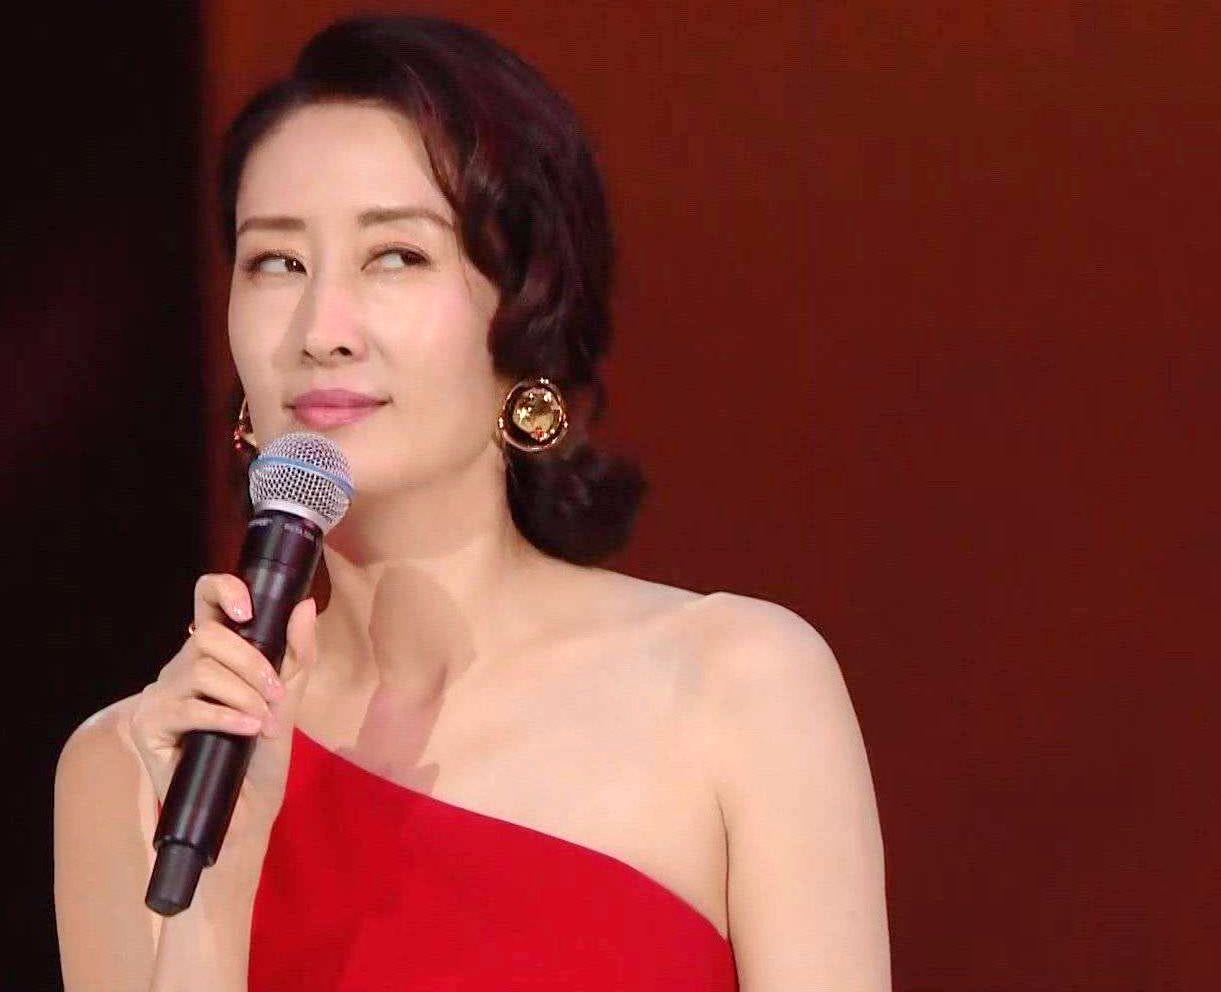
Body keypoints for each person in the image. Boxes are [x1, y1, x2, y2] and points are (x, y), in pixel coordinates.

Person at [54, 13, 889, 991]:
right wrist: (219, 883)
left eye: (395, 256)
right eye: (276, 261)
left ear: (524, 310)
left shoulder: (736, 686)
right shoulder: (140, 761)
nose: (321, 329)